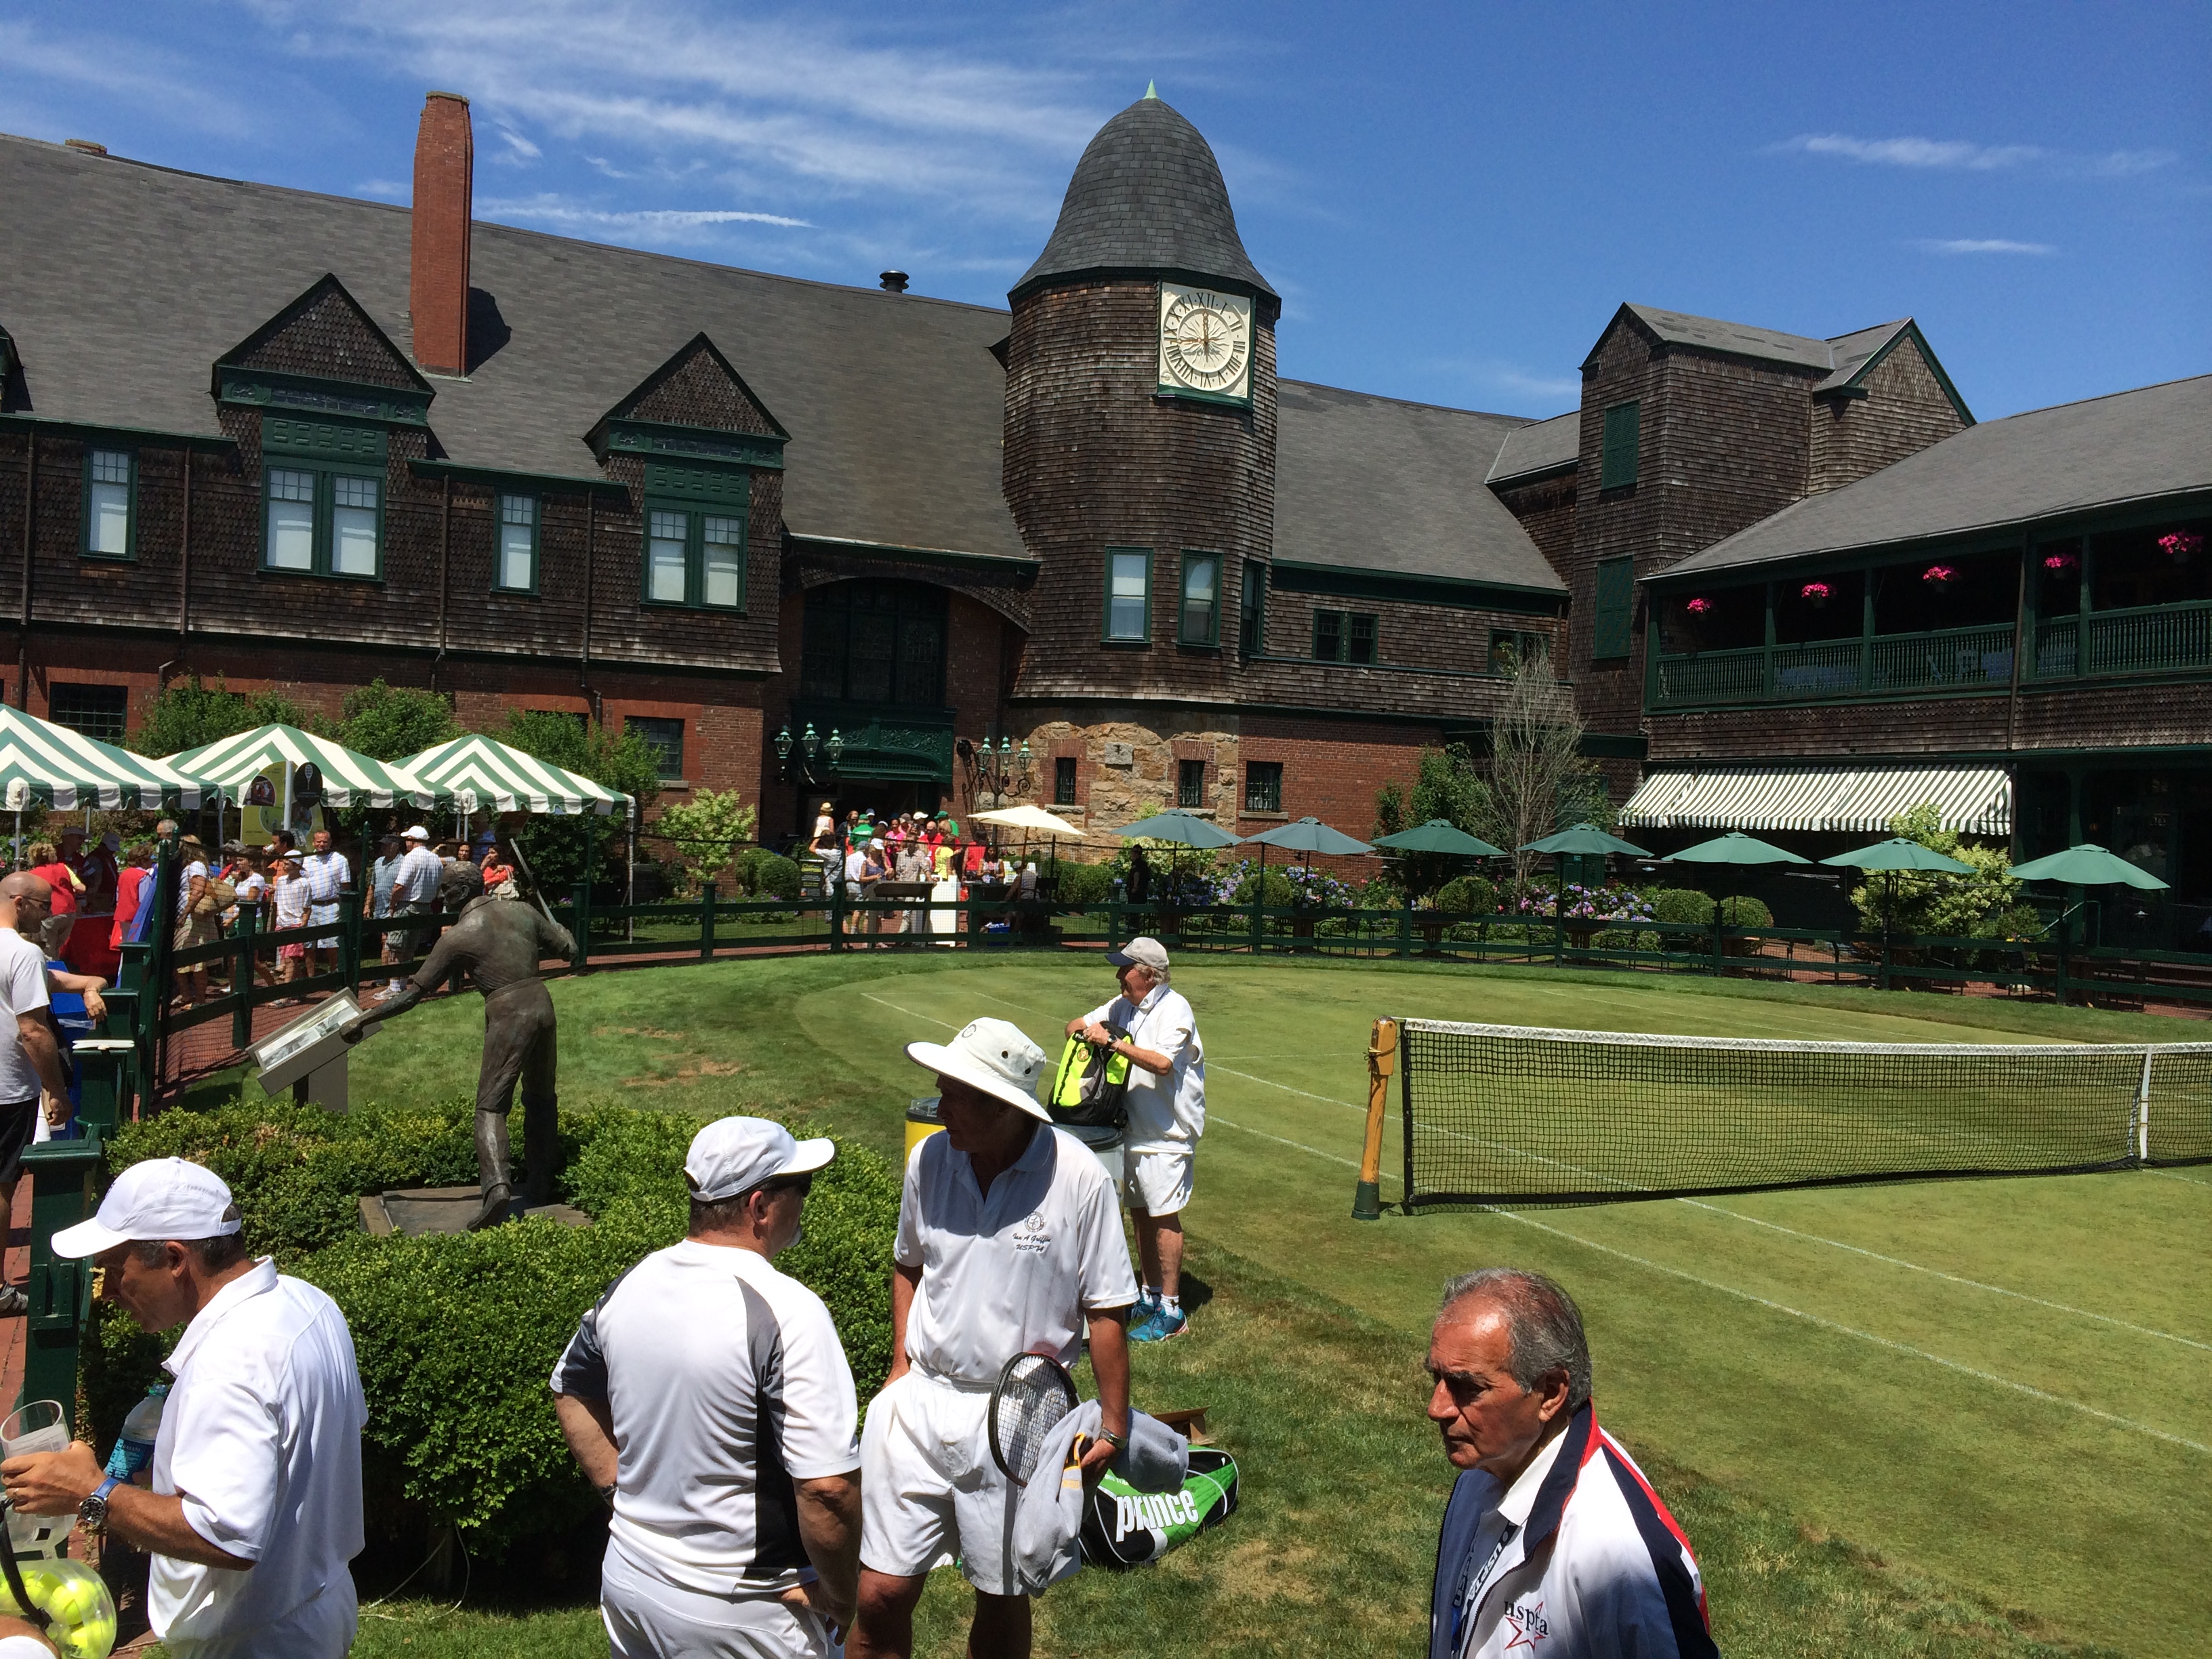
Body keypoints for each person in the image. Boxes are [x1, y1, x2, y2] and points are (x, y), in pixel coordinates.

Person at [850, 1018, 1135, 1659]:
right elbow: (908, 1264)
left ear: (1003, 1106)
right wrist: (900, 1365)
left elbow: (1107, 1310)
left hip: (1018, 1417)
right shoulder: (929, 1159)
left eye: (955, 1093)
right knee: (879, 1595)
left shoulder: (1080, 1178)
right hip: (918, 1406)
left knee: (1000, 1596)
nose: (939, 1103)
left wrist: (1114, 1427)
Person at [3, 1158, 367, 1658]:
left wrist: (92, 1492)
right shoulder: (308, 1303)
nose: (109, 1292)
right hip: (317, 1607)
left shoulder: (229, 1363)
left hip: (251, 1640)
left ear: (175, 1258)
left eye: (115, 1270)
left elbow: (226, 1538)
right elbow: (309, 1453)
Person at [551, 1118, 860, 1657]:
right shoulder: (791, 1312)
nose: (804, 1202)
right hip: (743, 1610)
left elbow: (571, 1391)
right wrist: (841, 1594)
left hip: (631, 1579)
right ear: (760, 1207)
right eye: (801, 1187)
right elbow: (826, 1489)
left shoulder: (634, 1282)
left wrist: (618, 1494)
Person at [1426, 1269, 1714, 1659]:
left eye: (1467, 1387)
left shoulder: (1617, 1555)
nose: (1437, 1407)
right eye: (1436, 1377)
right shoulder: (1482, 1472)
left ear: (1549, 1393)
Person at [349, 862, 574, 1230]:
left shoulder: (458, 937)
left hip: (508, 1012)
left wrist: (364, 1019)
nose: (442, 895)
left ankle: (497, 1188)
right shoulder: (522, 911)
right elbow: (568, 949)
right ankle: (541, 1182)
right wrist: (565, 935)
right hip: (542, 1004)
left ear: (461, 892)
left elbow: (412, 995)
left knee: (490, 1107)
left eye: (446, 889)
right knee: (540, 1097)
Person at [1066, 936, 1205, 1342]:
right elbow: (1075, 1024)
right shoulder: (1121, 1004)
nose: (1118, 976)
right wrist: (1090, 1032)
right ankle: (1150, 1294)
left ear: (1148, 974)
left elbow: (1162, 1063)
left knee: (1164, 1215)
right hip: (1130, 1128)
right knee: (1141, 1213)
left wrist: (1112, 1042)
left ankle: (1173, 1311)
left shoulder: (1175, 1009)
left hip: (1168, 1133)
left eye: (1125, 969)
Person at [0, 875, 70, 1317]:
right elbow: (32, 1030)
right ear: (20, 902)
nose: (48, 916)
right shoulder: (23, 953)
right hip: (7, 1090)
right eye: (44, 907)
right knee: (2, 1187)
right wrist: (55, 1088)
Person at [381, 826, 443, 998]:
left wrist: (392, 905)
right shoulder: (435, 859)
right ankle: (402, 985)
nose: (406, 842)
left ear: (414, 840)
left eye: (408, 839)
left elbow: (400, 886)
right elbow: (438, 886)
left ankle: (394, 988)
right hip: (425, 907)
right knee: (410, 948)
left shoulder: (411, 857)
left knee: (395, 947)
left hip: (406, 907)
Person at [171, 834, 215, 1008]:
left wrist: (184, 914)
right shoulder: (186, 867)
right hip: (184, 919)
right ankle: (186, 995)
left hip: (193, 920)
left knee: (197, 963)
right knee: (179, 960)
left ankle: (200, 999)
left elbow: (198, 891)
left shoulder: (197, 866)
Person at [300, 829, 350, 978]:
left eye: (325, 842)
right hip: (310, 907)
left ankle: (335, 974)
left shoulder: (340, 860)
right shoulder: (306, 860)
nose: (322, 844)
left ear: (330, 843)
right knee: (308, 945)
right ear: (313, 843)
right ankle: (311, 978)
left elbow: (346, 886)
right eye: (319, 842)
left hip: (331, 905)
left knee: (332, 943)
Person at [268, 855, 310, 1003]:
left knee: (290, 959)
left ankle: (284, 996)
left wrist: (303, 925)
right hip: (282, 924)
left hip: (296, 924)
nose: (283, 867)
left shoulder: (304, 883)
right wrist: (276, 923)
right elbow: (277, 903)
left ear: (297, 866)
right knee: (288, 960)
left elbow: (307, 908)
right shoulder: (281, 881)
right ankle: (301, 989)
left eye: (287, 864)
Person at [23, 842, 83, 916]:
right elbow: (81, 888)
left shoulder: (32, 874)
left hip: (50, 912)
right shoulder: (64, 867)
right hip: (69, 912)